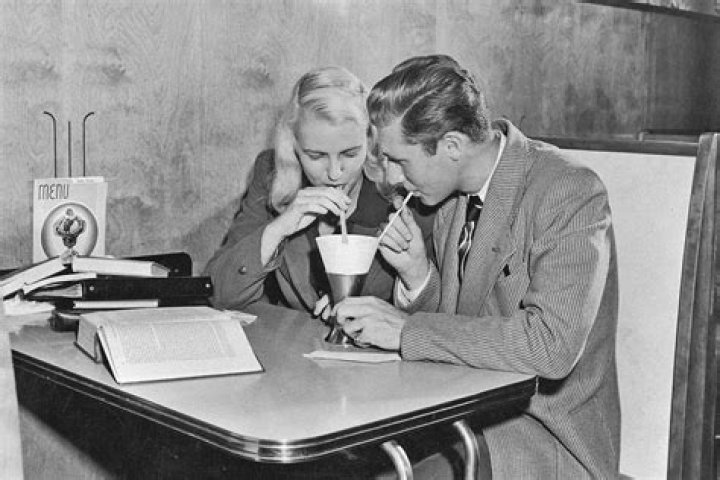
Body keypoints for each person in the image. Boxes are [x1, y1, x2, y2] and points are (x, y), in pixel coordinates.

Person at [334, 55, 621, 479]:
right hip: (463, 412)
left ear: (451, 146)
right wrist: (417, 275)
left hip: (539, 436)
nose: (391, 177)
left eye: (400, 161)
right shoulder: (452, 198)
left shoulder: (569, 190)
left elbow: (551, 347)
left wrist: (406, 330)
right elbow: (458, 331)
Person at [204, 66, 433, 316]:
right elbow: (217, 293)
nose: (334, 173)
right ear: (293, 146)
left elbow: (435, 307)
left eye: (350, 153)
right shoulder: (270, 176)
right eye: (316, 156)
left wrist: (362, 305)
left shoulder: (402, 188)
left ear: (370, 141)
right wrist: (278, 229)